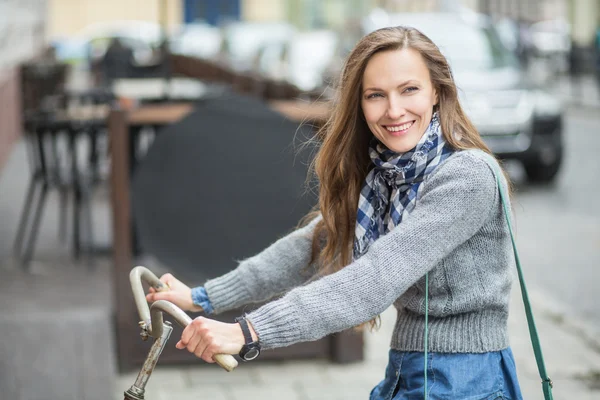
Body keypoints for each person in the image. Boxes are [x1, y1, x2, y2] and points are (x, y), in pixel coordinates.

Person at [146, 26, 523, 399]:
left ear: (437, 92)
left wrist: (248, 332)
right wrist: (204, 297)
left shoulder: (467, 176)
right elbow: (309, 247)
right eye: (376, 95)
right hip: (411, 368)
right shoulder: (388, 177)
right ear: (360, 104)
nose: (394, 110)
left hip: (469, 379)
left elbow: (377, 276)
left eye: (409, 89)